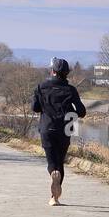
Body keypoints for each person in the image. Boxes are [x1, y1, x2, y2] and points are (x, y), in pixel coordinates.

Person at [31, 57, 86, 204]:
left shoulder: (40, 87)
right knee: (60, 161)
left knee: (52, 161)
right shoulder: (71, 90)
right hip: (66, 129)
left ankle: (52, 174)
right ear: (66, 73)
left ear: (52, 71)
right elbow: (81, 112)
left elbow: (35, 108)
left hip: (47, 127)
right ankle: (54, 198)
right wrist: (70, 112)